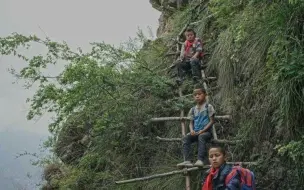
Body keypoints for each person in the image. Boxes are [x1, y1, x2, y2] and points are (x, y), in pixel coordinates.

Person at [177, 85, 215, 167]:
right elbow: (191, 122)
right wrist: (191, 130)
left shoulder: (208, 107)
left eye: (199, 94)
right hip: (196, 131)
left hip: (206, 132)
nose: (197, 96)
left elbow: (212, 121)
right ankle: (187, 160)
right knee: (186, 137)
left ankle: (200, 160)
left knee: (201, 137)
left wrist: (203, 130)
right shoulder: (193, 109)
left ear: (205, 95)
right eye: (195, 95)